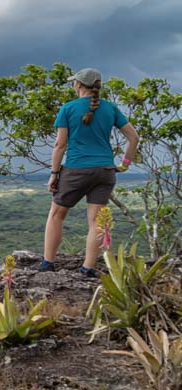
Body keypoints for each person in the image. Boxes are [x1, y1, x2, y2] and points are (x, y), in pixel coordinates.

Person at [43, 68, 139, 276]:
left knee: (56, 215)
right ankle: (87, 268)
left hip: (76, 169)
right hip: (105, 170)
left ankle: (48, 263)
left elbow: (60, 145)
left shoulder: (67, 109)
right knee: (96, 221)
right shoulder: (110, 108)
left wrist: (54, 173)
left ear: (77, 85)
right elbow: (134, 137)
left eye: (74, 83)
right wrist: (125, 164)